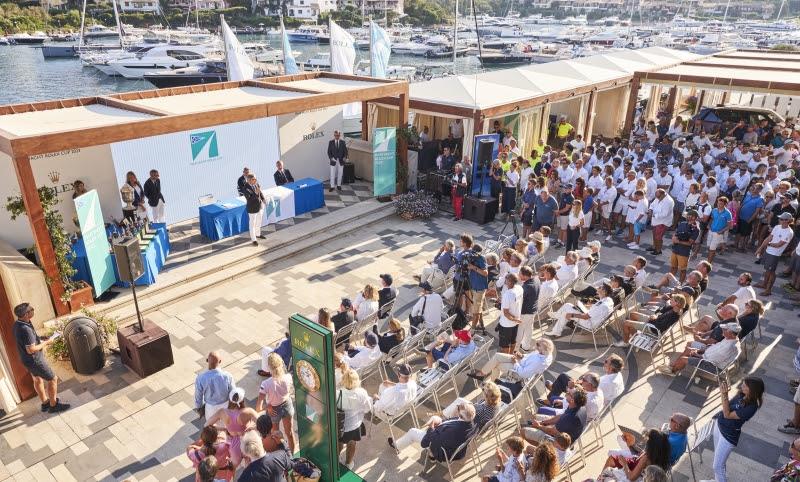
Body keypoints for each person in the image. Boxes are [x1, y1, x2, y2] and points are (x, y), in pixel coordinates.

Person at [12, 303, 69, 414]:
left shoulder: (19, 323)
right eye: (31, 309)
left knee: (37, 379)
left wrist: (41, 338)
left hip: (26, 360)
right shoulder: (25, 329)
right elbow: (31, 349)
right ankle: (53, 405)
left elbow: (28, 341)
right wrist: (47, 342)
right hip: (35, 360)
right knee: (53, 379)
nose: (33, 310)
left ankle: (45, 403)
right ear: (26, 314)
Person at [712, 377, 765, 482]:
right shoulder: (742, 394)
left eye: (745, 386)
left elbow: (727, 414)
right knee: (720, 463)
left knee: (717, 467)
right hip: (719, 425)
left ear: (752, 390)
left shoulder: (751, 408)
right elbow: (727, 406)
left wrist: (724, 394)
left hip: (728, 436)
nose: (741, 386)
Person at [390, 401, 477, 461]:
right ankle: (431, 456)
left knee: (412, 432)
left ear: (461, 415)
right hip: (455, 449)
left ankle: (397, 446)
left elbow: (432, 439)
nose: (457, 409)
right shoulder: (471, 424)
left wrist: (431, 427)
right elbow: (452, 424)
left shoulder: (453, 430)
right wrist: (441, 422)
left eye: (458, 409)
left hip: (442, 451)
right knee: (436, 418)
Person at [658, 322, 742, 376]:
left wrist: (696, 354)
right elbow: (713, 348)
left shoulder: (729, 347)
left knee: (683, 359)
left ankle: (672, 371)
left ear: (730, 332)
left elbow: (711, 360)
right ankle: (673, 366)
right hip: (708, 355)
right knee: (689, 348)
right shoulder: (729, 338)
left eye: (725, 329)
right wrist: (698, 351)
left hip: (713, 366)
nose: (722, 330)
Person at [256, 353, 296, 453]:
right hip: (287, 405)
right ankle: (292, 457)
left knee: (274, 438)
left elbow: (258, 408)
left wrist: (267, 407)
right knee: (290, 433)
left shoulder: (265, 384)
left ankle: (279, 459)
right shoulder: (288, 377)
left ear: (269, 367)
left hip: (273, 410)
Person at [613, 293, 687, 348]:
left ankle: (625, 342)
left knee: (626, 323)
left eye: (672, 300)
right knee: (633, 314)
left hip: (653, 328)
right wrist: (656, 316)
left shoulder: (673, 315)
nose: (670, 300)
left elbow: (660, 326)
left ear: (677, 303)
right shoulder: (673, 308)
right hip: (653, 320)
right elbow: (660, 310)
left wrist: (654, 318)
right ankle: (634, 335)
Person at [521, 387, 587, 445]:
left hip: (559, 443)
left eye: (569, 394)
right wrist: (544, 422)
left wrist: (539, 426)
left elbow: (551, 431)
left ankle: (542, 449)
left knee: (523, 431)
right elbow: (561, 416)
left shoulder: (571, 417)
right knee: (534, 417)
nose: (567, 392)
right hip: (561, 431)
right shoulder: (579, 407)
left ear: (572, 400)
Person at [468, 338, 555, 382]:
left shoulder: (539, 362)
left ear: (543, 349)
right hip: (520, 362)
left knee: (496, 365)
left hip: (519, 371)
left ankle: (492, 383)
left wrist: (516, 363)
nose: (536, 345)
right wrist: (521, 356)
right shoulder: (543, 353)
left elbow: (524, 374)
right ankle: (483, 373)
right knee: (497, 356)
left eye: (538, 345)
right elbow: (529, 357)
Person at [544, 283, 614, 337]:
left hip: (589, 323)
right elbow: (597, 311)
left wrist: (572, 314)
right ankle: (556, 320)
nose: (597, 288)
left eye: (600, 287)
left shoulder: (601, 305)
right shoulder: (609, 300)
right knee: (567, 306)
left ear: (604, 292)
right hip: (594, 320)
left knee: (566, 312)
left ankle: (556, 324)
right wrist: (589, 307)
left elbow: (586, 317)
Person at [600, 428, 671, 482]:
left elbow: (631, 478)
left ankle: (599, 479)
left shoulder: (646, 458)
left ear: (652, 444)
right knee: (613, 457)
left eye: (647, 440)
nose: (645, 441)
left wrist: (624, 463)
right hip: (635, 462)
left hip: (631, 470)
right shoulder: (660, 454)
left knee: (611, 460)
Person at [337, 370, 373, 470]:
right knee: (351, 444)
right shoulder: (362, 393)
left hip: (340, 426)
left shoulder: (337, 393)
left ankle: (336, 459)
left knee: (339, 443)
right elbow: (367, 409)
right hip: (354, 425)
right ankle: (348, 463)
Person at [205, 388, 248, 468]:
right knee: (249, 464)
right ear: (242, 400)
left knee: (233, 466)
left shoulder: (222, 412)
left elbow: (207, 425)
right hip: (247, 441)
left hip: (233, 445)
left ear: (230, 399)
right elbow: (259, 421)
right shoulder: (247, 411)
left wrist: (224, 429)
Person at [755, 212, 795, 296]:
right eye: (780, 218)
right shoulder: (777, 227)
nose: (780, 220)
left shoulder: (789, 232)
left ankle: (768, 290)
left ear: (788, 221)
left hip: (775, 254)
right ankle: (764, 284)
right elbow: (769, 237)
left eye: (783, 219)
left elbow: (779, 245)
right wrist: (760, 248)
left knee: (771, 272)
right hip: (768, 251)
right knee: (767, 270)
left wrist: (768, 244)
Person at [195, 351, 234, 426]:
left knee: (212, 430)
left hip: (210, 409)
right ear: (220, 361)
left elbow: (198, 396)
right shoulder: (227, 376)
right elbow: (233, 394)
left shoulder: (201, 377)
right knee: (225, 428)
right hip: (225, 406)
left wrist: (199, 408)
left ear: (207, 361)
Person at [670, 210, 700, 282]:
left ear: (695, 218)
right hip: (675, 249)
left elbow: (690, 243)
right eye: (688, 215)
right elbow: (676, 233)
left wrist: (678, 241)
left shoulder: (696, 229)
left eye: (692, 215)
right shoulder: (682, 223)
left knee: (682, 270)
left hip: (684, 252)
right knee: (673, 268)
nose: (689, 217)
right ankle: (669, 281)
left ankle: (679, 285)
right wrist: (673, 237)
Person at [498, 273, 524, 354]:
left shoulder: (508, 294)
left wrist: (514, 319)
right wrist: (516, 320)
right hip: (515, 323)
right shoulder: (520, 288)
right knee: (513, 340)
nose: (505, 282)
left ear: (509, 281)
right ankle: (511, 355)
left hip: (506, 324)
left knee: (505, 345)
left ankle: (506, 359)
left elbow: (506, 313)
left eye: (506, 280)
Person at [517, 266, 540, 351]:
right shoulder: (536, 280)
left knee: (520, 330)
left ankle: (515, 348)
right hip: (533, 310)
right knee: (529, 329)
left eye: (520, 274)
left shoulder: (526, 287)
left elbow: (520, 301)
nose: (519, 275)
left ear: (525, 275)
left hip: (525, 312)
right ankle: (526, 346)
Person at [707, 196, 733, 263]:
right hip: (711, 231)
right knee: (709, 247)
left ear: (725, 204)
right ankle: (711, 258)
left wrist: (721, 231)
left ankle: (708, 263)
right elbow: (712, 219)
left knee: (711, 249)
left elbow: (729, 225)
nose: (719, 205)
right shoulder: (714, 210)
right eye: (718, 203)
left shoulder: (728, 213)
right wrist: (709, 225)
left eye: (721, 204)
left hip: (718, 233)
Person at [242, 174, 266, 246]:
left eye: (255, 179)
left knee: (259, 221)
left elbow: (260, 193)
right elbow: (249, 199)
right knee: (252, 224)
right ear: (249, 180)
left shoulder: (256, 184)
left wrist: (263, 199)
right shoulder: (245, 188)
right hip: (252, 208)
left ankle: (258, 234)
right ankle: (254, 239)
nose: (255, 180)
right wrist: (256, 193)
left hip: (259, 206)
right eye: (253, 179)